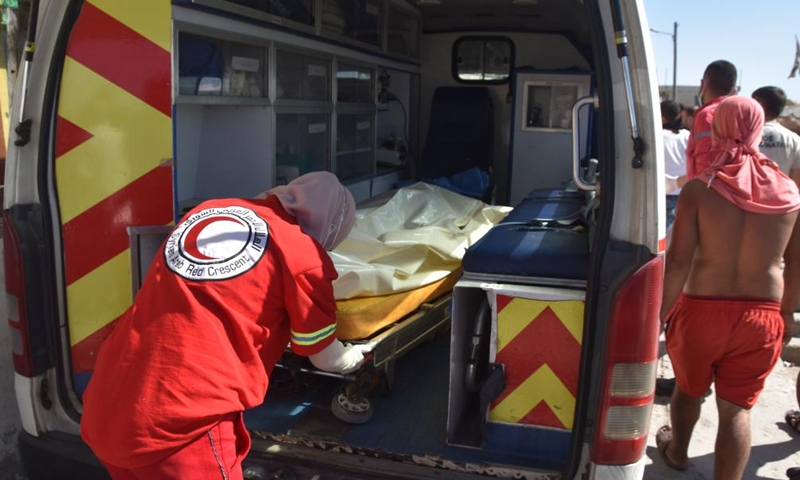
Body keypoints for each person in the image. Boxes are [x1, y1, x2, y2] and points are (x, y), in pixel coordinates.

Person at [80, 171, 370, 479]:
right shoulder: (303, 255)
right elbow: (325, 356)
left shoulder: (205, 213)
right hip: (182, 426)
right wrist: (356, 357)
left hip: (108, 404)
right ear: (332, 225)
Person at [655, 96, 800, 478]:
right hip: (761, 316)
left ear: (717, 129)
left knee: (688, 390)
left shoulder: (699, 190)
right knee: (737, 408)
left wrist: (659, 315)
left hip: (702, 309)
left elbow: (680, 262)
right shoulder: (789, 193)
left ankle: (678, 453)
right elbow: (797, 263)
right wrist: (785, 313)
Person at [685, 60, 738, 181]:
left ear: (703, 85)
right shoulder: (740, 114)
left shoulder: (707, 115)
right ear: (734, 90)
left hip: (709, 195)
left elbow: (704, 166)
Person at [752, 86, 800, 180]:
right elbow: (797, 181)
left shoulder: (741, 136)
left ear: (759, 104)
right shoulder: (794, 140)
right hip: (782, 193)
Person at [661, 100, 690, 230]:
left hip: (663, 192)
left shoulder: (659, 136)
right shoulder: (688, 136)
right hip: (684, 192)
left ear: (662, 117)